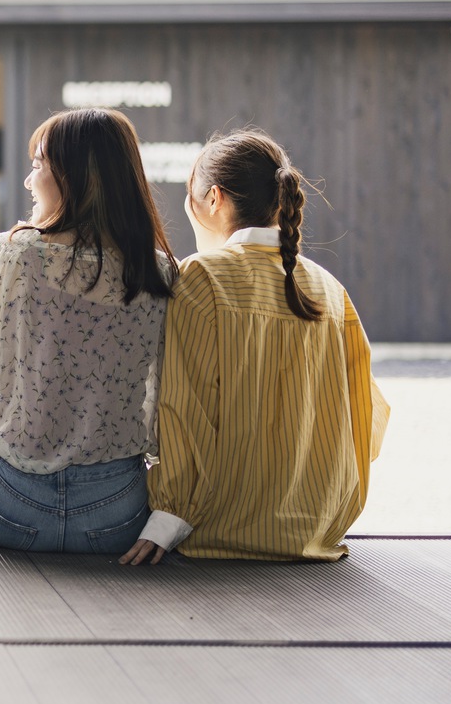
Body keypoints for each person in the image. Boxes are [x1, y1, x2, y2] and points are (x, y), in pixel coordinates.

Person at [122, 129, 389, 564]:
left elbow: (185, 411)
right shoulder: (329, 288)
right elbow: (367, 417)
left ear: (214, 198)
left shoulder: (202, 277)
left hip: (222, 525)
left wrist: (170, 516)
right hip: (316, 528)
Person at [0, 108, 178, 555]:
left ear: (78, 177)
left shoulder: (10, 254)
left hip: (8, 509)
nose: (29, 181)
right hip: (116, 514)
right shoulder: (158, 272)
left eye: (38, 165)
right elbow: (163, 395)